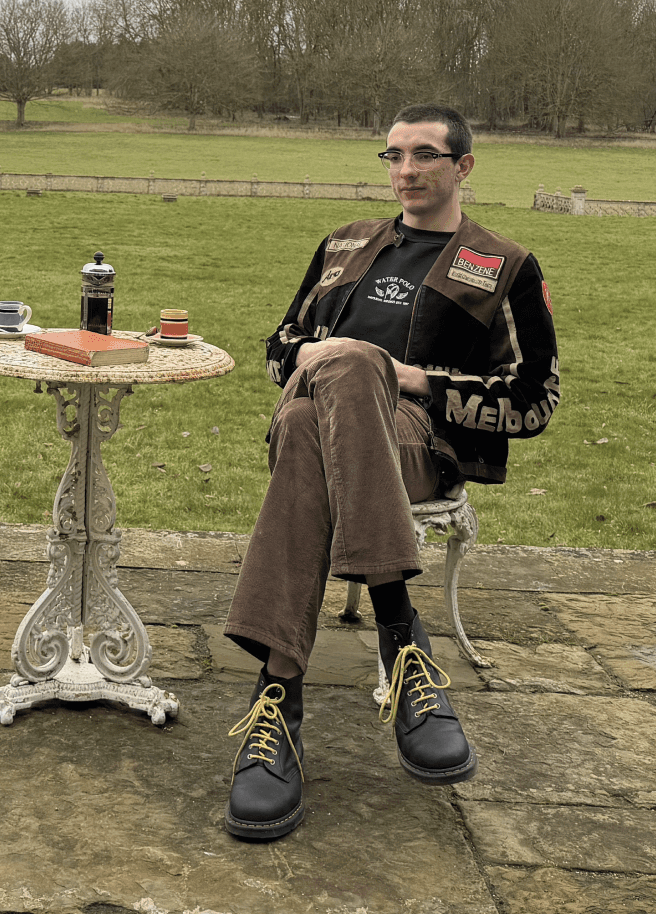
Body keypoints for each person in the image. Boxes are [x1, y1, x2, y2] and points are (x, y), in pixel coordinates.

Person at [218, 104, 559, 840]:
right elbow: (280, 346)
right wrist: (318, 355)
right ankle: (401, 635)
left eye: (425, 155)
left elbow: (535, 403)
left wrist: (418, 381)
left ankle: (277, 700)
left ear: (463, 166)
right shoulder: (344, 242)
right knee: (333, 377)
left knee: (321, 415)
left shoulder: (504, 266)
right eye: (393, 155)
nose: (406, 170)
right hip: (314, 413)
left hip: (418, 446)